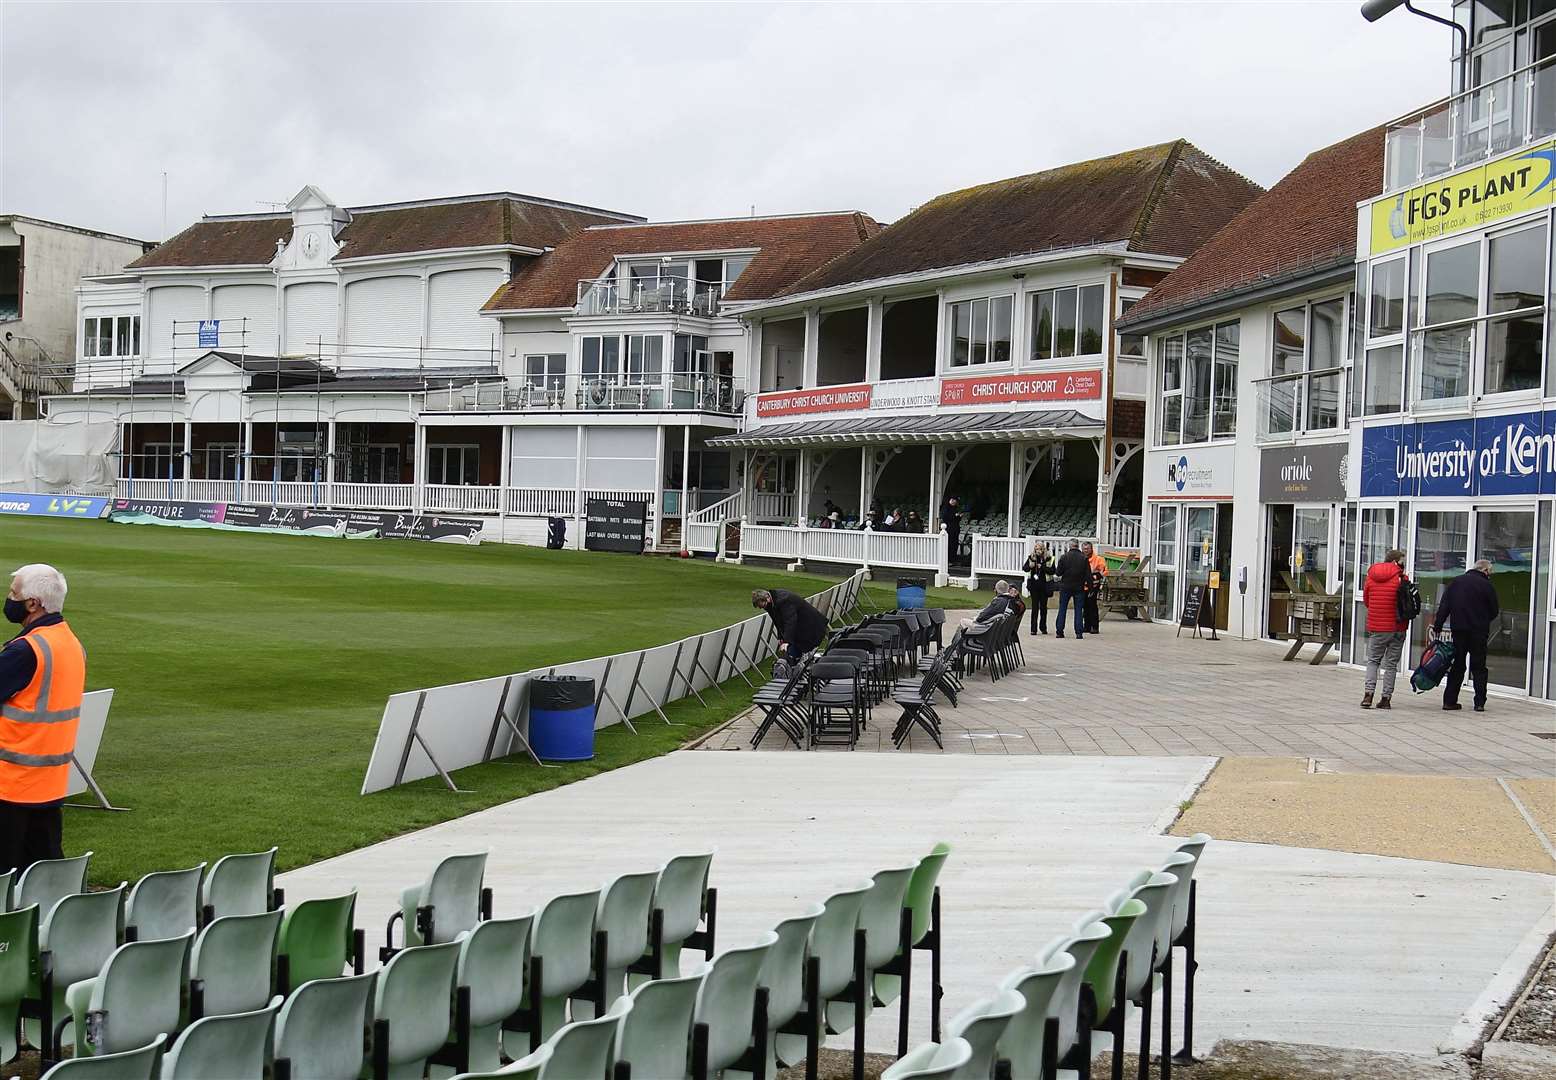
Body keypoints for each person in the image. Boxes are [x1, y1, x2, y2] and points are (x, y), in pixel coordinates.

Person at [0, 564, 85, 877]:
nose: (9, 600)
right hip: (50, 782)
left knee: (7, 877)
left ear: (33, 604)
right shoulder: (71, 643)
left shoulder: (26, 650)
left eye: (14, 594)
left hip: (10, 784)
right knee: (44, 874)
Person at [1432, 558, 1499, 712]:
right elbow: (1494, 610)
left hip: (1459, 630)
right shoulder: (1487, 586)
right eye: (1490, 572)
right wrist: (1483, 620)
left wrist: (1438, 625)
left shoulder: (1456, 582)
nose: (1490, 575)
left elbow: (1445, 606)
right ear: (1485, 571)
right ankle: (1479, 702)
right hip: (1479, 632)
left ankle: (1449, 701)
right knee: (1479, 667)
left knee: (1457, 665)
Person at [1360, 548, 1410, 709]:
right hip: (1398, 626)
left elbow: (1367, 601)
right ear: (1396, 562)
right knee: (1391, 664)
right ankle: (1386, 698)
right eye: (1403, 562)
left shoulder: (1371, 577)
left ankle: (1368, 695)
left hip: (1378, 627)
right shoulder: (1402, 578)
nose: (1404, 565)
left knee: (1373, 661)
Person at [752, 587, 828, 664]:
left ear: (767, 598)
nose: (762, 608)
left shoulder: (783, 600)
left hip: (811, 627)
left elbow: (790, 621)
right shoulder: (770, 603)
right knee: (794, 655)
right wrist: (780, 637)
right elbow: (777, 620)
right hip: (800, 630)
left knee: (800, 655)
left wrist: (786, 641)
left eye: (762, 606)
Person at [1054, 539, 1089, 640]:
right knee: (1078, 610)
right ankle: (1079, 633)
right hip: (1079, 587)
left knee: (1062, 609)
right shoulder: (1084, 558)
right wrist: (1090, 588)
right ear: (1078, 546)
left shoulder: (1064, 557)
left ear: (1069, 546)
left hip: (1066, 586)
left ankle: (1059, 631)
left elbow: (1058, 572)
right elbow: (1088, 575)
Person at [1023, 541, 1054, 636]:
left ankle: (1043, 627)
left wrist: (1043, 567)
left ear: (1043, 549)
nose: (1038, 551)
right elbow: (1025, 568)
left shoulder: (1049, 558)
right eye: (1036, 549)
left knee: (1043, 608)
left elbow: (1053, 571)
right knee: (1034, 608)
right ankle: (1033, 629)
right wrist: (1030, 566)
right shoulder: (1031, 557)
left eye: (1040, 549)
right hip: (1034, 586)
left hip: (1044, 586)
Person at [1082, 542, 1108, 635]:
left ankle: (1094, 627)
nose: (1086, 550)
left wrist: (1094, 576)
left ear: (1091, 549)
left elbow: (1104, 571)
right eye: (1084, 549)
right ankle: (1086, 626)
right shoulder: (1081, 559)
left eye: (1087, 548)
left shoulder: (1098, 559)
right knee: (1084, 606)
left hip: (1093, 586)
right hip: (1082, 586)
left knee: (1092, 606)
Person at [941, 496, 962, 565]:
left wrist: (958, 516)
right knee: (949, 545)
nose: (954, 501)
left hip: (955, 529)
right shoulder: (946, 508)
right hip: (949, 530)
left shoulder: (956, 508)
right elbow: (945, 518)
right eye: (952, 500)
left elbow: (958, 520)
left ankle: (953, 559)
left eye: (955, 500)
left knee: (955, 545)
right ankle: (948, 560)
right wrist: (955, 516)